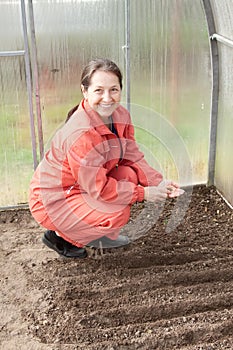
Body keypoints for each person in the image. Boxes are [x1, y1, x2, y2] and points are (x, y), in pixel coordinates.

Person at [29, 58, 183, 259]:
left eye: (114, 90)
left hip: (84, 185)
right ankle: (60, 236)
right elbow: (99, 189)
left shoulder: (121, 115)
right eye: (99, 90)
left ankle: (102, 235)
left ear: (121, 89)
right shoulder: (80, 135)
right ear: (85, 91)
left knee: (128, 174)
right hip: (55, 198)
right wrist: (143, 193)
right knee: (117, 214)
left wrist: (158, 182)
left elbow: (131, 154)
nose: (107, 98)